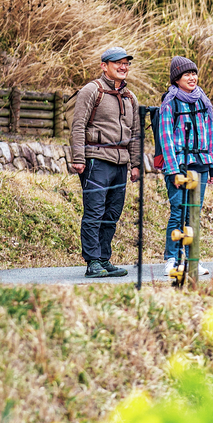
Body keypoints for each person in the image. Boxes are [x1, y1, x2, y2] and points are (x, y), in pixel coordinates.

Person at [68, 47, 142, 278]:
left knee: (112, 213)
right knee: (94, 212)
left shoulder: (131, 98)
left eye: (126, 63)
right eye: (117, 63)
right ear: (104, 66)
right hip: (96, 161)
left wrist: (136, 163)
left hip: (120, 163)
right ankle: (92, 262)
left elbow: (136, 133)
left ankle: (104, 258)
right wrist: (78, 158)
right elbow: (78, 125)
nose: (123, 67)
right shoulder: (92, 90)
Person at [158, 56, 213, 269]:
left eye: (194, 73)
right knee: (179, 211)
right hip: (179, 165)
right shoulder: (170, 102)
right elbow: (165, 138)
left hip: (200, 164)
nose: (192, 78)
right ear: (176, 79)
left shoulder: (203, 100)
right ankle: (172, 259)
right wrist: (173, 170)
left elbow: (208, 134)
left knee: (194, 213)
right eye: (186, 74)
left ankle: (192, 261)